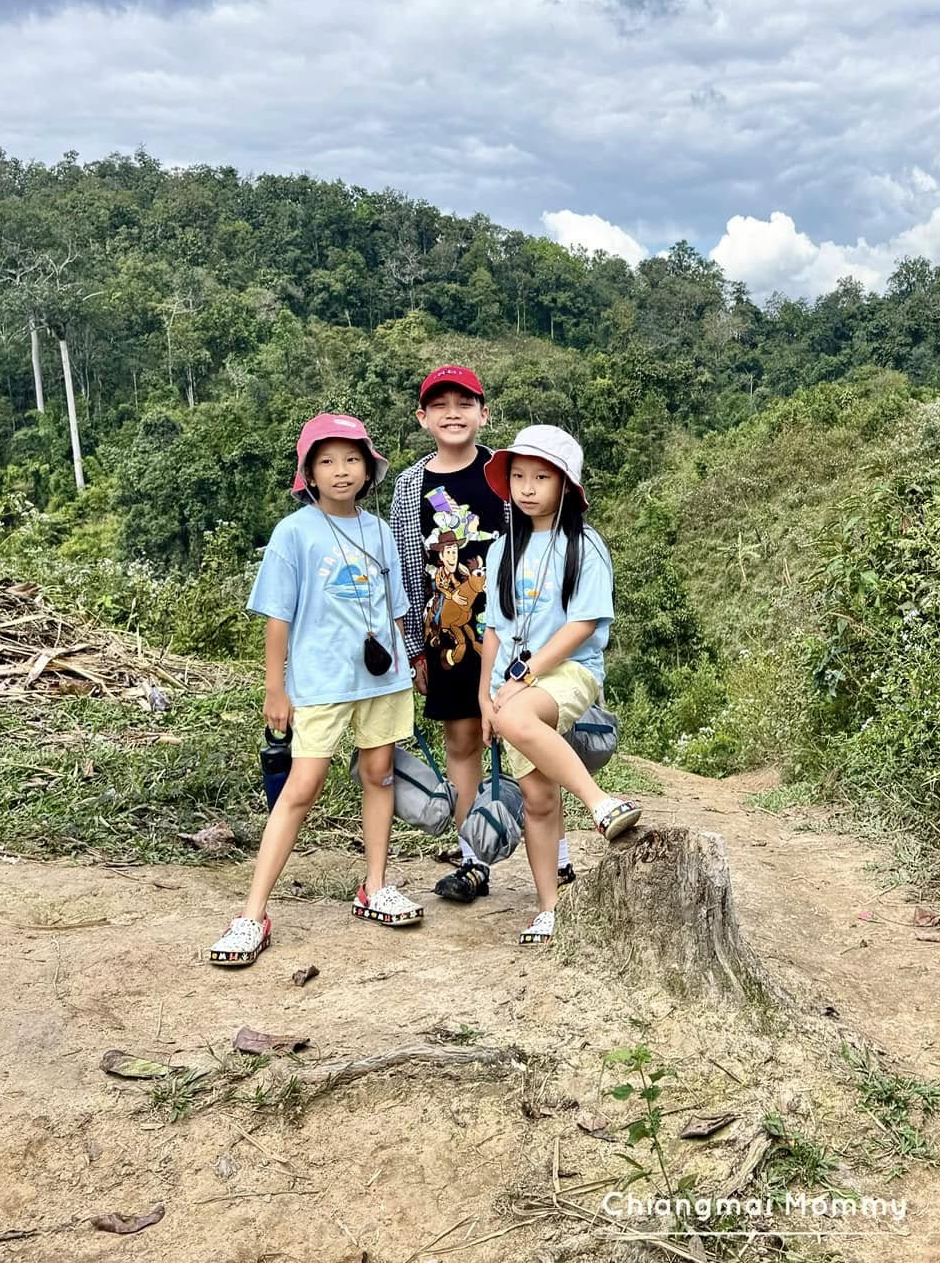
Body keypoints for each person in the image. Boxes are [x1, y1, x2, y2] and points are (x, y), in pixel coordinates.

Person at [208, 413, 424, 967]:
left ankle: (375, 887)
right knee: (301, 788)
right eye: (327, 461)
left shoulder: (380, 531)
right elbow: (276, 618)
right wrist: (275, 689)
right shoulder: (294, 532)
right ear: (309, 473)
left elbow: (396, 608)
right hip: (321, 681)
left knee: (379, 774)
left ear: (369, 470)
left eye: (352, 460)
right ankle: (252, 915)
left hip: (383, 679)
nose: (341, 470)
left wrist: (411, 662)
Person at [389, 366, 574, 904]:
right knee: (462, 740)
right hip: (446, 639)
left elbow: (540, 547)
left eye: (464, 403)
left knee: (530, 742)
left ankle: (559, 858)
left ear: (483, 413)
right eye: (440, 405)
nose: (453, 413)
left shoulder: (504, 474)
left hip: (516, 636)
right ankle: (474, 859)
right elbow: (405, 570)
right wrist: (414, 649)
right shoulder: (411, 486)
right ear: (422, 418)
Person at [479, 425, 641, 945]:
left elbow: (583, 626)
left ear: (565, 485)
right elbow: (494, 630)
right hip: (511, 685)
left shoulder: (585, 545)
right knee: (537, 798)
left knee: (518, 716)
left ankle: (599, 803)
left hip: (571, 670)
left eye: (541, 478)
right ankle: (550, 907)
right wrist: (485, 698)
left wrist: (523, 677)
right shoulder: (501, 550)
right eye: (518, 476)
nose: (527, 488)